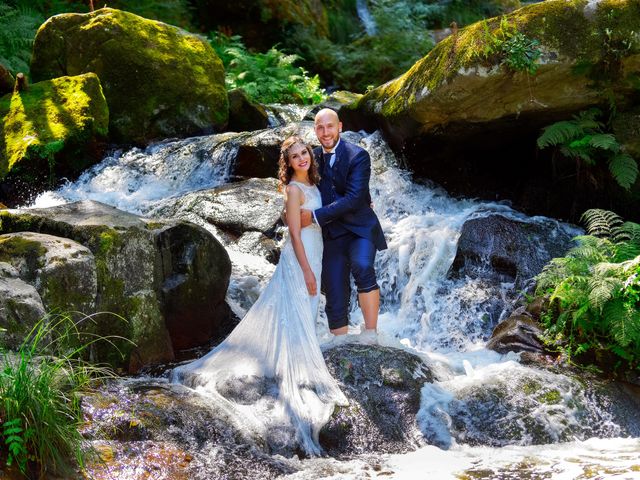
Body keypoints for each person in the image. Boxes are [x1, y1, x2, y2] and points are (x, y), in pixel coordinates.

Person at [171, 136, 348, 456]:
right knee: (297, 305)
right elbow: (294, 233)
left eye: (304, 153)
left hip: (316, 251)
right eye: (294, 156)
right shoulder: (294, 190)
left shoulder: (315, 187)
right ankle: (295, 371)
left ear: (310, 155)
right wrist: (308, 271)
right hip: (300, 257)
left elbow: (323, 221)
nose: (301, 159)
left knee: (306, 308)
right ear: (288, 163)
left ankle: (298, 364)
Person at [301, 108, 387, 343]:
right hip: (331, 233)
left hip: (360, 228)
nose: (325, 132)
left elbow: (354, 198)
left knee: (362, 266)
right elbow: (297, 187)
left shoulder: (358, 155)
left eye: (330, 126)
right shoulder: (311, 159)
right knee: (334, 287)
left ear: (340, 127)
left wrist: (315, 216)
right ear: (315, 130)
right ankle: (340, 344)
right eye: (320, 127)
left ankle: (371, 334)